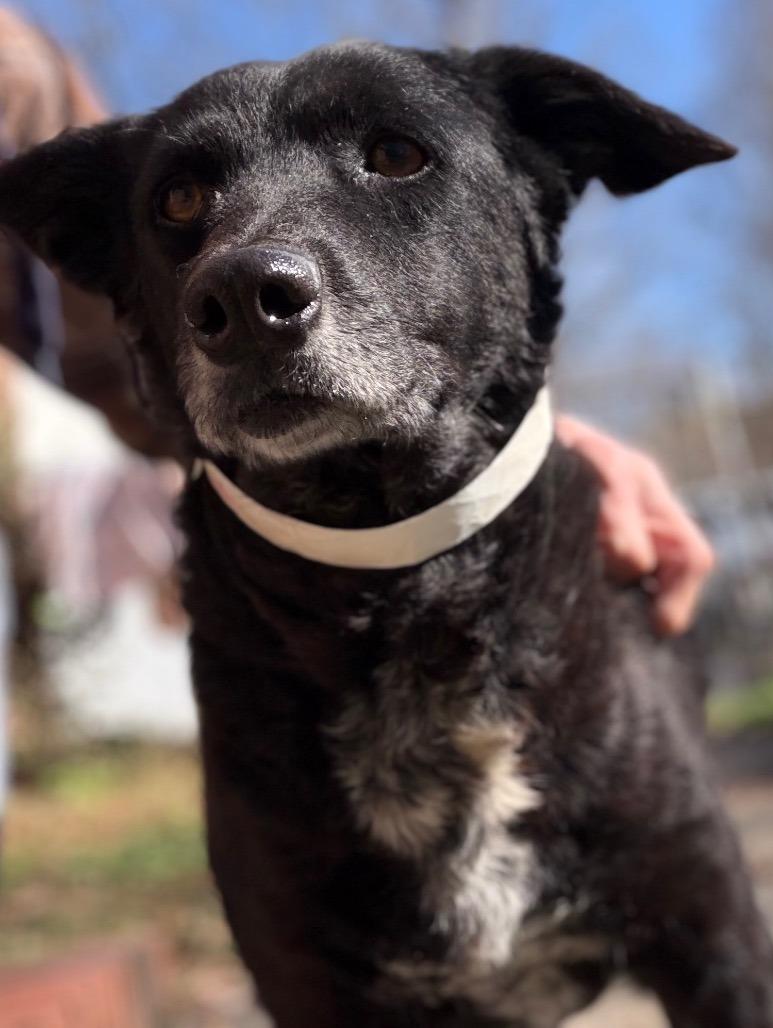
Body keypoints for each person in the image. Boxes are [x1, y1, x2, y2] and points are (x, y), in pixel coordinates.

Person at [0, 8, 714, 838]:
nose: (230, 272)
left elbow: (111, 345)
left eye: (394, 156)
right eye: (187, 202)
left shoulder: (13, 76)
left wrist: (513, 449)